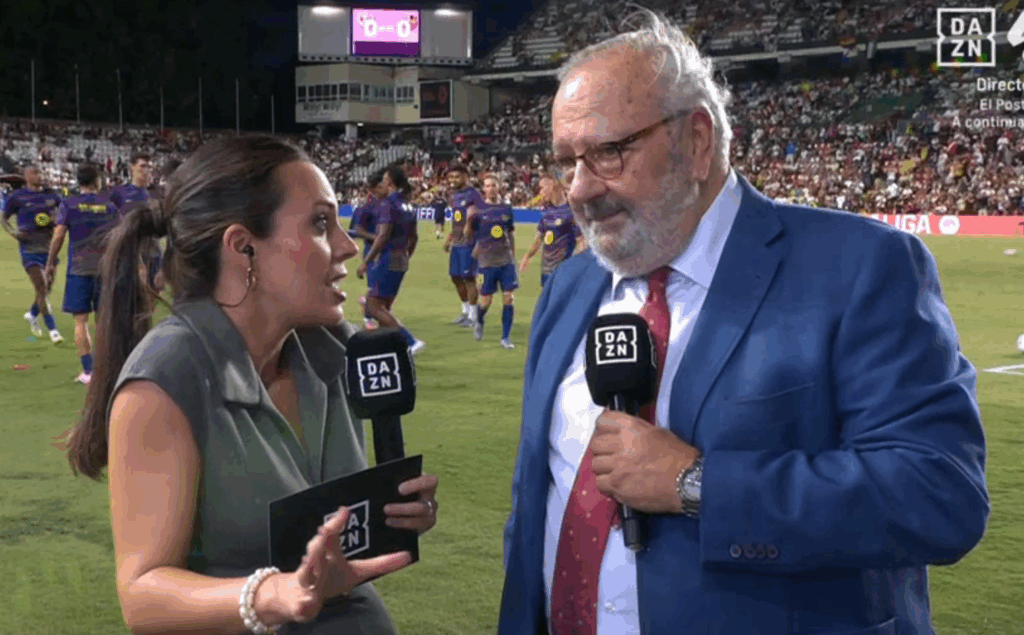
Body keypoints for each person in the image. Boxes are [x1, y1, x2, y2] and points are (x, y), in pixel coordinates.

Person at [499, 10, 988, 635]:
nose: (578, 189)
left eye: (608, 153)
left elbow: (939, 494)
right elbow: (536, 502)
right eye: (566, 161)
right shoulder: (570, 287)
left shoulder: (860, 267)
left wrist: (696, 483)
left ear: (697, 141)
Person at [62, 135, 439, 635]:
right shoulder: (167, 380)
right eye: (320, 224)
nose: (348, 246)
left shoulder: (332, 349)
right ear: (244, 248)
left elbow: (333, 530)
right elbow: (143, 598)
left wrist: (397, 511)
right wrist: (271, 594)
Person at [44, 163, 120, 385]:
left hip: (79, 269)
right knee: (105, 321)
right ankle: (107, 369)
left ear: (79, 181)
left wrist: (50, 262)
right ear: (98, 181)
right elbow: (120, 235)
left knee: (81, 321)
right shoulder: (109, 205)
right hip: (106, 269)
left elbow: (58, 235)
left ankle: (88, 371)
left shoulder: (69, 204)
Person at [356, 165, 424, 355]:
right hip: (401, 257)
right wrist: (406, 255)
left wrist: (366, 262)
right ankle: (389, 348)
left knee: (373, 305)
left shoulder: (388, 204)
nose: (383, 184)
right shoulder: (408, 205)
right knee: (384, 306)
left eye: (385, 180)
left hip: (388, 257)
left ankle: (410, 342)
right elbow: (414, 237)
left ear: (391, 183)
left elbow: (383, 236)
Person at [1, 164, 64, 343]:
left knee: (47, 288)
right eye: (35, 173)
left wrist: (55, 219)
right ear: (26, 176)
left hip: (49, 248)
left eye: (41, 172)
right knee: (42, 287)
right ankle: (53, 330)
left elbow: (63, 214)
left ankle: (33, 313)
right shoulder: (17, 197)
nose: (39, 175)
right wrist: (13, 232)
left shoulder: (52, 195)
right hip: (29, 248)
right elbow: (3, 218)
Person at [468, 174, 517, 349]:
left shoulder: (506, 209)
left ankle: (505, 338)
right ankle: (479, 319)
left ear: (499, 187)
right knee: (486, 301)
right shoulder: (478, 210)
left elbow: (510, 233)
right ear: (484, 189)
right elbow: (472, 236)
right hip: (486, 263)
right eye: (488, 185)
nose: (491, 188)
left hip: (506, 261)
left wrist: (513, 256)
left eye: (493, 185)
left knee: (509, 298)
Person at [519, 174, 584, 287]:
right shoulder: (546, 213)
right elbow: (538, 239)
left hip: (563, 273)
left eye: (542, 188)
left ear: (552, 185)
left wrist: (574, 264)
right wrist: (527, 256)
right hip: (546, 271)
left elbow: (581, 241)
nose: (540, 193)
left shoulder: (570, 211)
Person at [110, 153, 162, 291]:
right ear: (131, 167)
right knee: (130, 293)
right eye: (143, 166)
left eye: (149, 167)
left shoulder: (158, 193)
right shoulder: (119, 193)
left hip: (153, 252)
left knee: (154, 291)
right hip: (128, 253)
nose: (147, 170)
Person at [442, 165, 484, 327]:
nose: (453, 180)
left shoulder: (473, 195)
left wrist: (471, 224)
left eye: (457, 176)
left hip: (470, 243)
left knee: (469, 278)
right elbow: (456, 220)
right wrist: (449, 238)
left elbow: (481, 215)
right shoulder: (455, 195)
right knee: (455, 277)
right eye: (451, 177)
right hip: (457, 242)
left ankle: (473, 316)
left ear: (466, 176)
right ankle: (465, 311)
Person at [349, 172, 383, 330]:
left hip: (388, 250)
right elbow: (358, 230)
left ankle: (369, 305)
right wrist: (377, 238)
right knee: (375, 286)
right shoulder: (367, 207)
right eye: (383, 185)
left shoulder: (387, 205)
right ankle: (368, 317)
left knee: (383, 285)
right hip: (373, 250)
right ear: (375, 188)